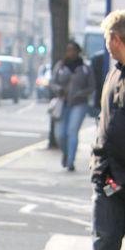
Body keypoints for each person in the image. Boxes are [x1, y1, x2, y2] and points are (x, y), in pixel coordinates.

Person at [73, 11, 125, 250]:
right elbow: (104, 125)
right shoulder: (113, 73)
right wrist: (98, 168)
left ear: (116, 39)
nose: (106, 46)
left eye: (108, 39)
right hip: (110, 182)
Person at [50, 39, 94, 171]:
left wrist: (80, 93)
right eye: (68, 50)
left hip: (79, 104)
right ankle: (65, 152)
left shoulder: (85, 68)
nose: (71, 53)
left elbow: (92, 87)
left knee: (72, 131)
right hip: (63, 103)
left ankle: (71, 160)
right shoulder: (61, 66)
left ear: (78, 52)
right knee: (60, 134)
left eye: (74, 50)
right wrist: (59, 89)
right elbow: (53, 83)